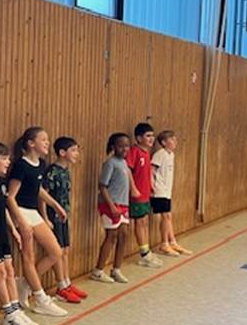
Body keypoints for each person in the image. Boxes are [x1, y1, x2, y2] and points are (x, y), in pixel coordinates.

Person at [7, 127, 69, 317]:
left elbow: (38, 189)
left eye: (47, 140)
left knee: (55, 252)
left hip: (33, 212)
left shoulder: (41, 164)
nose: (47, 143)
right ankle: (41, 299)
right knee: (28, 257)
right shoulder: (20, 166)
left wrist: (55, 205)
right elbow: (10, 197)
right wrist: (21, 222)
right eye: (43, 140)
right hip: (21, 212)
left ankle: (25, 284)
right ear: (31, 143)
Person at [0, 141, 39, 325]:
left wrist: (13, 229)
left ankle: (15, 309)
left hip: (2, 232)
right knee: (0, 273)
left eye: (8, 158)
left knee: (10, 271)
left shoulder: (2, 183)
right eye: (3, 158)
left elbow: (3, 208)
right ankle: (8, 314)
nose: (8, 162)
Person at [44, 136, 88, 303]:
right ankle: (61, 287)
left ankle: (67, 283)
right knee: (58, 251)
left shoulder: (66, 171)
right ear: (62, 152)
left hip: (63, 216)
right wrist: (45, 217)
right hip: (53, 216)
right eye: (73, 150)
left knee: (65, 250)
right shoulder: (52, 171)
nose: (77, 154)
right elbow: (43, 195)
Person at [91, 133, 133, 284]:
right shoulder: (110, 163)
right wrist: (111, 206)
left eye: (127, 146)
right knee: (112, 235)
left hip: (123, 204)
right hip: (110, 204)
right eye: (120, 146)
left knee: (124, 235)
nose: (124, 149)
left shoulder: (124, 163)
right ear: (113, 147)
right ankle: (98, 270)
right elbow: (102, 186)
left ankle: (116, 269)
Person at [151, 130, 192, 256]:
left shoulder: (171, 155)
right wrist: (152, 187)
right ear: (164, 142)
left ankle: (172, 242)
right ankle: (164, 244)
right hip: (159, 191)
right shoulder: (160, 154)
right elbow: (151, 170)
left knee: (168, 216)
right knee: (165, 217)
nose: (175, 141)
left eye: (175, 139)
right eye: (172, 139)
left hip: (167, 191)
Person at [128, 122, 163, 268]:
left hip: (145, 194)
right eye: (148, 136)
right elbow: (128, 170)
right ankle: (144, 254)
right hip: (136, 195)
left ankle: (147, 251)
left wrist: (150, 186)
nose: (151, 139)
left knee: (145, 222)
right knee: (140, 222)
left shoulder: (146, 153)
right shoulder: (134, 151)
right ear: (138, 138)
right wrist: (133, 188)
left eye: (152, 136)